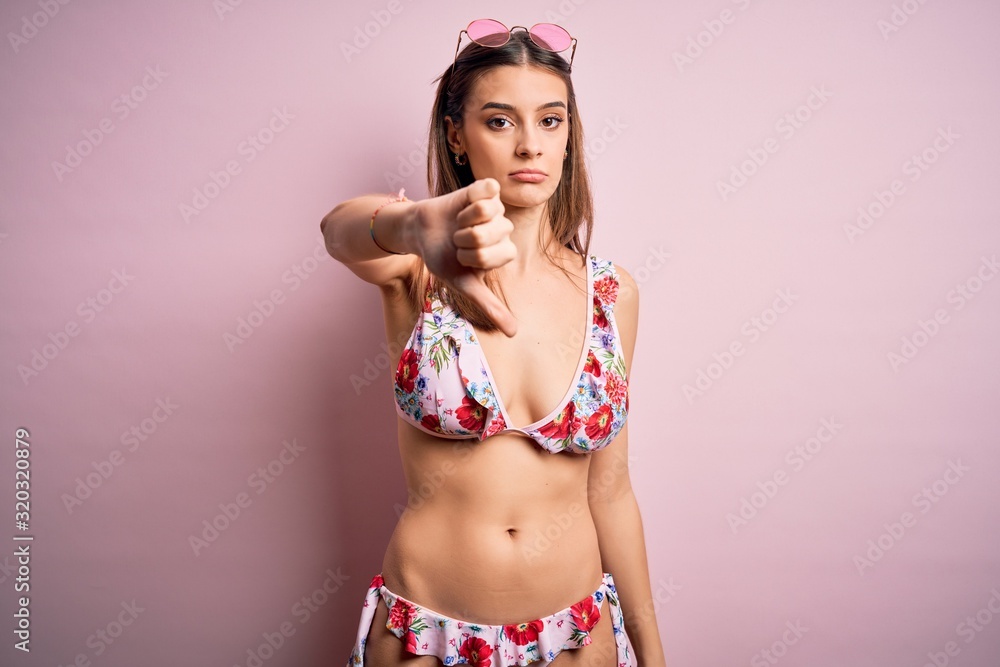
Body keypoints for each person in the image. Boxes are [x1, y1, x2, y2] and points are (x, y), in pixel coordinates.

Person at [322, 18, 666, 667]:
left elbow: (612, 492)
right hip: (426, 636)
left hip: (575, 637)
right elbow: (337, 232)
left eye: (551, 120)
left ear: (570, 136)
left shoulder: (612, 294)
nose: (530, 145)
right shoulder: (417, 266)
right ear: (458, 134)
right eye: (501, 121)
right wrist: (413, 222)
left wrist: (654, 653)